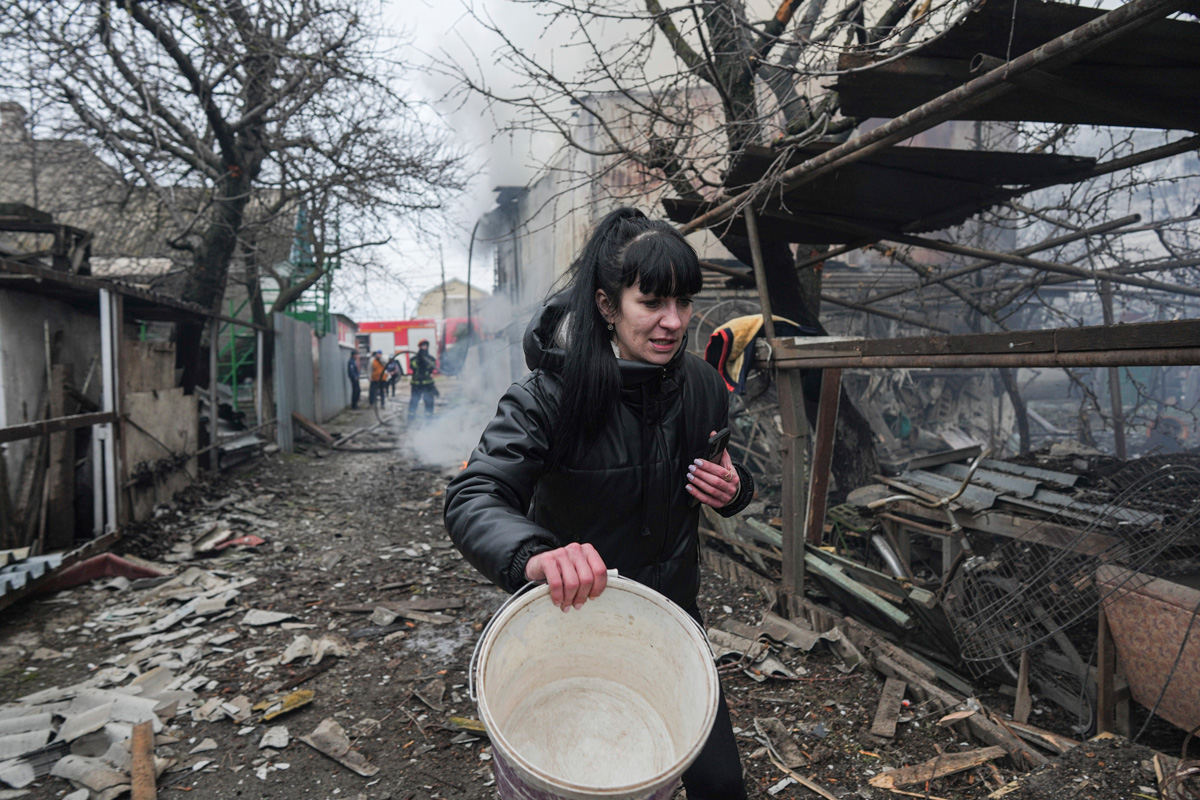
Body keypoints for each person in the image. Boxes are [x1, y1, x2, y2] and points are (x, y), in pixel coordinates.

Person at [444, 207, 753, 800]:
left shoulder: (704, 387)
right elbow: (474, 494)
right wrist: (536, 556)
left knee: (720, 783)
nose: (673, 322)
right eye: (652, 302)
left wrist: (736, 491)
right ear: (608, 305)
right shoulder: (549, 396)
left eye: (683, 303)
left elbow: (730, 476)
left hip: (671, 628)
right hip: (573, 629)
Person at [408, 340, 438, 421]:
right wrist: (420, 361)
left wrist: (426, 363)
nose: (424, 347)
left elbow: (432, 368)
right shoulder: (414, 359)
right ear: (420, 347)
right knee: (414, 401)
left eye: (426, 346)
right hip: (416, 384)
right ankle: (410, 420)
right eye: (423, 346)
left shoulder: (431, 359)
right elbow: (413, 367)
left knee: (429, 402)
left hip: (427, 384)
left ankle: (429, 421)